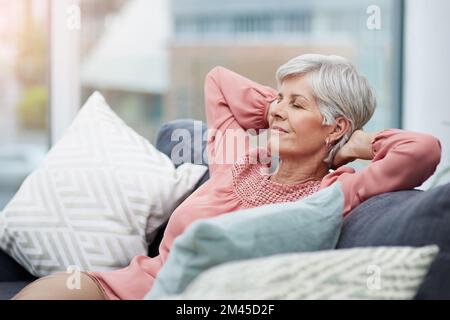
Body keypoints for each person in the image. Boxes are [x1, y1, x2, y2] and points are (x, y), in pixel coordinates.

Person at [13, 54, 442, 300]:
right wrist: (282, 108)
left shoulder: (336, 190)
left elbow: (422, 151)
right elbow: (219, 81)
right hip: (117, 288)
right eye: (277, 98)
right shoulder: (238, 156)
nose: (275, 110)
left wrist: (355, 144)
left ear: (335, 126)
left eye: (297, 104)